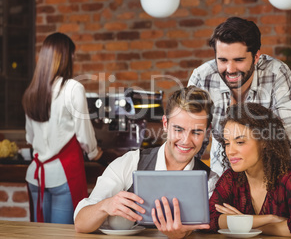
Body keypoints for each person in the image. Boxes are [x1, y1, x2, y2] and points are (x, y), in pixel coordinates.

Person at [187, 16, 291, 206]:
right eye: (222, 60)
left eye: (239, 60)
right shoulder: (201, 78)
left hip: (271, 182)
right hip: (222, 181)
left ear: (256, 57)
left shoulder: (276, 74)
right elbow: (191, 142)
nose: (230, 69)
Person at [74, 86, 219, 239]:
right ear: (165, 124)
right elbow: (80, 223)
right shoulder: (130, 162)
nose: (186, 140)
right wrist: (105, 206)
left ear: (207, 132)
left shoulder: (210, 181)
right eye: (178, 129)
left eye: (196, 132)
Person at [22, 32, 103, 224]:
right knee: (63, 235)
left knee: (39, 236)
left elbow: (29, 138)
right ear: (66, 57)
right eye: (72, 55)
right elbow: (84, 135)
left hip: (36, 176)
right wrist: (94, 153)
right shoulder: (73, 88)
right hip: (62, 174)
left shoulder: (32, 91)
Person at [209, 103, 291, 238]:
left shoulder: (289, 179)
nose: (230, 151)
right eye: (227, 143)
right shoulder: (230, 179)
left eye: (240, 142)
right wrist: (270, 219)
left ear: (264, 142)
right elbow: (207, 220)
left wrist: (245, 224)